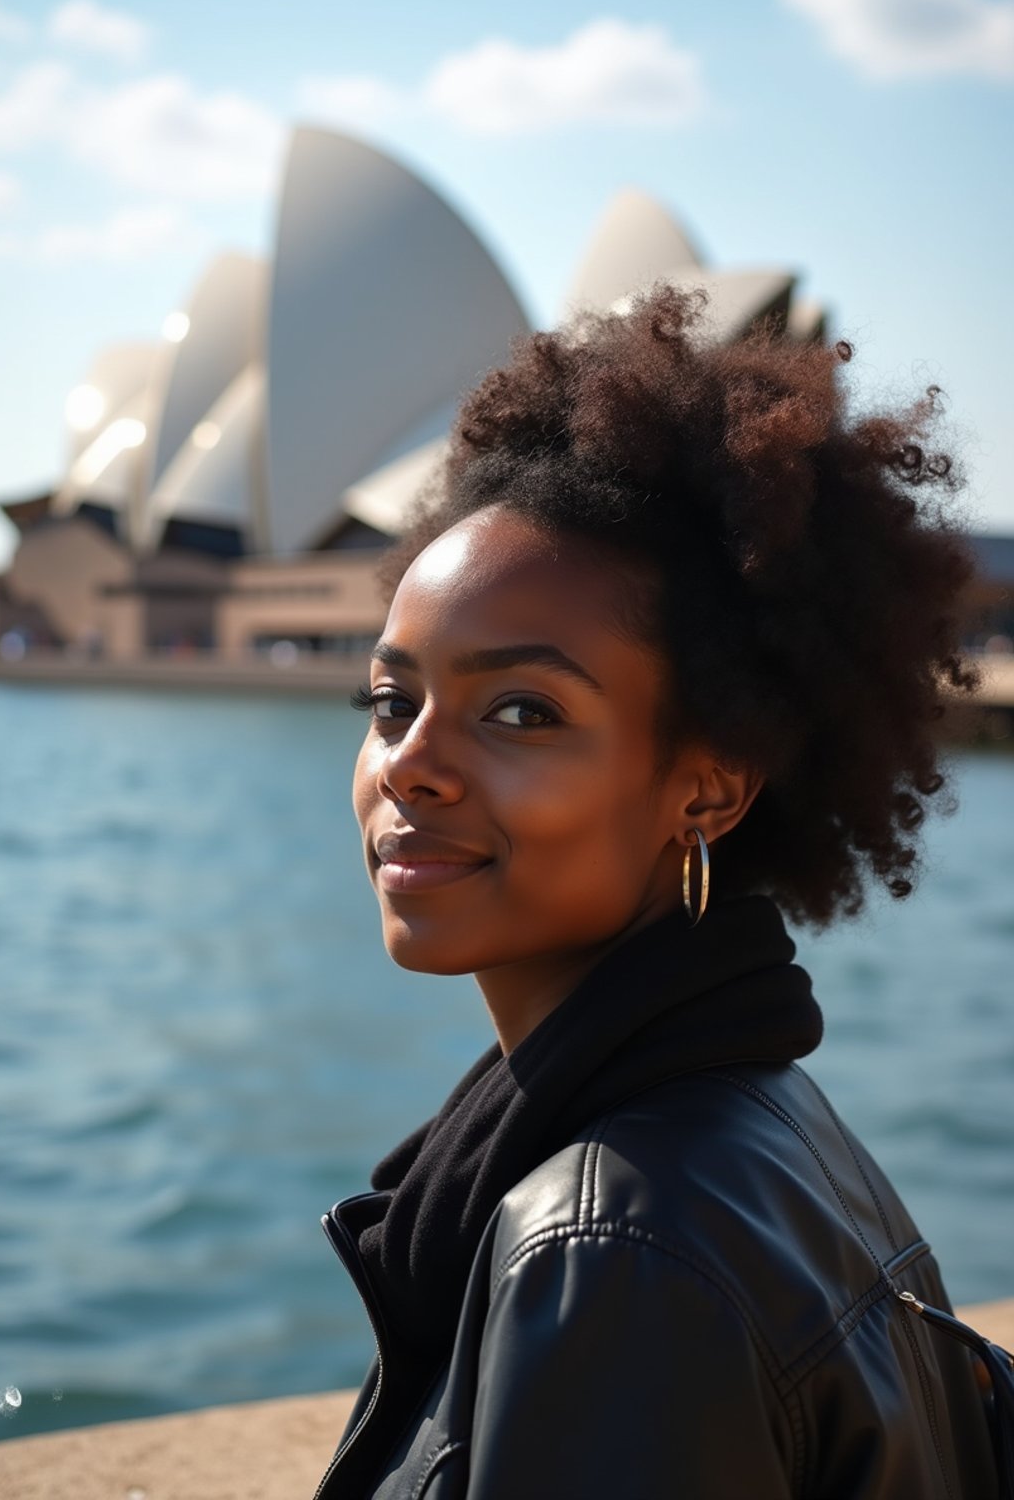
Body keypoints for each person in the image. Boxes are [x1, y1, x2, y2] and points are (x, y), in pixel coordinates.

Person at [315, 287, 999, 1499]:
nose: (408, 761)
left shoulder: (611, 1251)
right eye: (390, 700)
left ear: (707, 788)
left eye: (520, 710)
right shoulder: (765, 1117)